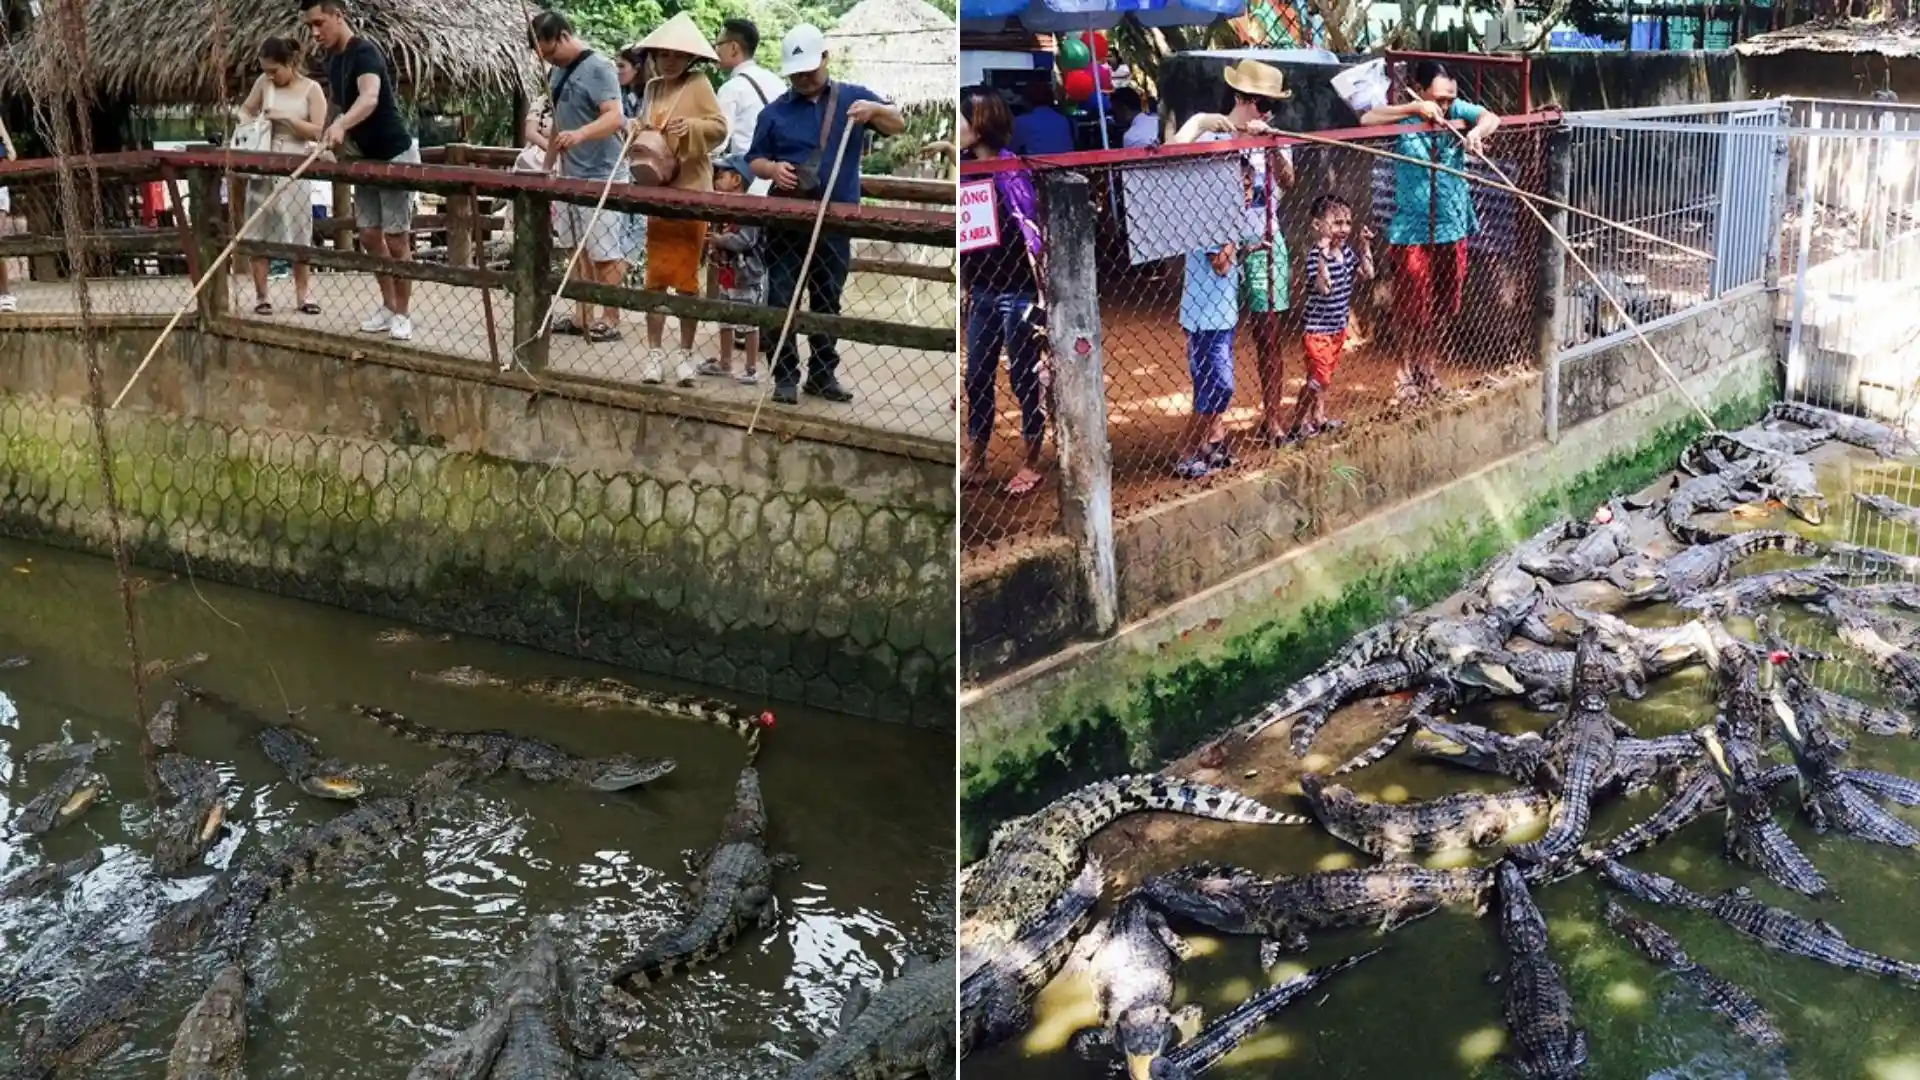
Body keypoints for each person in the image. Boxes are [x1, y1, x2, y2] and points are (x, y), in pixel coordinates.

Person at [747, 23, 905, 406]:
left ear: (825, 59)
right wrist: (772, 170)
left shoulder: (853, 99)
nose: (803, 77)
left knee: (827, 298)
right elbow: (753, 159)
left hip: (837, 220)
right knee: (780, 297)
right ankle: (784, 375)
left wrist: (876, 111)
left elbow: (898, 123)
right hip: (788, 219)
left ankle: (822, 373)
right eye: (796, 72)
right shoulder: (774, 112)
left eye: (809, 70)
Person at [1170, 60, 1296, 443]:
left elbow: (1288, 182)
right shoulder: (1213, 134)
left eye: (1273, 106)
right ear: (1242, 98)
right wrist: (1204, 121)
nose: (1268, 112)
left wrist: (1270, 143)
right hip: (1218, 251)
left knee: (1268, 334)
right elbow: (1172, 153)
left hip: (1263, 242)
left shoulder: (1276, 136)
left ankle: (1272, 418)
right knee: (1216, 339)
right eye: (1262, 104)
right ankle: (1213, 426)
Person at [1361, 59, 1499, 403]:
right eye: (1437, 98)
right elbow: (1367, 118)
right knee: (1410, 310)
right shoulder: (1405, 114)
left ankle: (1427, 367)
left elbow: (1490, 117)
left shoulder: (1456, 110)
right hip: (1413, 229)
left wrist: (1475, 133)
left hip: (1452, 224)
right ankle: (1404, 374)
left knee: (1439, 307)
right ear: (1421, 91)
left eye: (1450, 98)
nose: (1445, 105)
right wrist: (1414, 108)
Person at [302, 0, 419, 342]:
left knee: (397, 238)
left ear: (338, 16)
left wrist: (342, 125)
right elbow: (338, 101)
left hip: (395, 154)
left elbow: (369, 98)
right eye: (310, 25)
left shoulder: (365, 51)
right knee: (369, 235)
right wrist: (327, 134)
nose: (315, 32)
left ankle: (403, 313)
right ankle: (387, 304)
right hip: (364, 157)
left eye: (320, 23)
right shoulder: (332, 59)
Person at [633, 13, 729, 385]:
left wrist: (690, 128)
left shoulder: (700, 83)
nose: (669, 60)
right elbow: (645, 128)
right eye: (663, 54)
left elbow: (719, 128)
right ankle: (655, 353)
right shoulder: (653, 87)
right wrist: (635, 128)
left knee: (688, 278)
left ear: (689, 57)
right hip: (658, 189)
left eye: (677, 54)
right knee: (656, 276)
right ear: (655, 56)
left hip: (691, 190)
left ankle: (685, 355)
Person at [959, 87, 1046, 497]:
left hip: (1019, 291)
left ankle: (1031, 459)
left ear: (978, 124)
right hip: (982, 289)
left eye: (961, 119)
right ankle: (976, 455)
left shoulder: (1011, 171)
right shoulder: (962, 170)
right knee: (976, 374)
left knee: (1024, 376)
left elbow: (1032, 233)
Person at [530, 11, 635, 345]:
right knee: (577, 251)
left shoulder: (599, 68)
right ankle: (583, 314)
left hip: (603, 173)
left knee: (604, 251)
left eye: (548, 51)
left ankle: (611, 317)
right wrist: (547, 168)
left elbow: (614, 117)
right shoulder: (557, 73)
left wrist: (581, 135)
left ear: (562, 36)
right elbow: (560, 122)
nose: (547, 59)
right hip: (571, 173)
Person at [235, 35, 327, 318]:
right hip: (263, 162)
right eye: (266, 70)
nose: (270, 76)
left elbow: (317, 130)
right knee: (258, 229)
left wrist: (285, 119)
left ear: (291, 63)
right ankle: (263, 297)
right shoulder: (263, 84)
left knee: (299, 232)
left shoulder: (312, 90)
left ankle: (303, 295)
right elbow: (245, 109)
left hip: (295, 164)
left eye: (274, 70)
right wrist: (251, 125)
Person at [1284, 194, 1375, 442]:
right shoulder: (1316, 256)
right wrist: (1324, 255)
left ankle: (1319, 418)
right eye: (1336, 223)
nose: (1344, 228)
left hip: (1337, 327)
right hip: (1318, 329)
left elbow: (1367, 274)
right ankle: (1298, 422)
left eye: (1347, 222)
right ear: (1318, 226)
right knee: (1318, 377)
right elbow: (1324, 288)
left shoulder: (1346, 252)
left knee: (1324, 378)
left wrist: (1365, 246)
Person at [1176, 233, 1238, 480]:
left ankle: (1209, 441)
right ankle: (1187, 450)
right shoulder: (1210, 223)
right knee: (1217, 387)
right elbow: (1220, 265)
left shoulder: (1228, 217)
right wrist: (1234, 239)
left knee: (1213, 387)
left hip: (1222, 317)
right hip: (1205, 321)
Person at [702, 154, 764, 384]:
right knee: (725, 319)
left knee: (748, 321)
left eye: (721, 176)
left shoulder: (748, 209)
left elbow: (745, 241)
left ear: (736, 180)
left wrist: (720, 240)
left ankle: (750, 368)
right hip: (727, 273)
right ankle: (725, 362)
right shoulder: (722, 208)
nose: (716, 180)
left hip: (745, 274)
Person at [714, 18, 782, 159]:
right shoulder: (777, 81)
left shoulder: (731, 89)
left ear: (734, 48)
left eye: (719, 44)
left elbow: (717, 141)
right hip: (777, 170)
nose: (716, 50)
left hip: (746, 173)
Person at [1011, 80, 1074, 156]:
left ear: (1026, 100)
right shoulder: (1063, 120)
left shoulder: (1020, 122)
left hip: (1037, 166)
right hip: (1066, 165)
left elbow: (1008, 151)